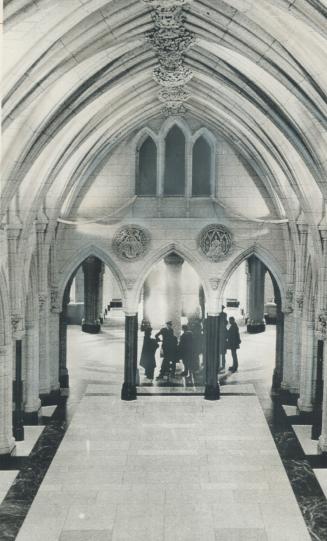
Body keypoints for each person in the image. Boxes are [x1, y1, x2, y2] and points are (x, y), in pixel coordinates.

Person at [218, 307, 228, 373]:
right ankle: (223, 365)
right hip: (223, 341)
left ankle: (221, 365)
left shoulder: (219, 315)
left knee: (220, 353)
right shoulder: (224, 315)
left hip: (221, 341)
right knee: (223, 354)